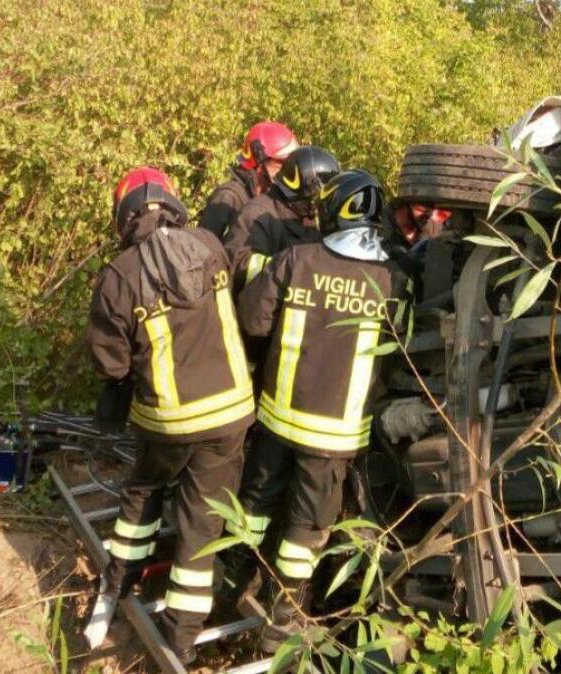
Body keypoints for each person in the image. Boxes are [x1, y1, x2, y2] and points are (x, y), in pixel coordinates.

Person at [84, 167, 254, 664]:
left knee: (142, 496)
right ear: (172, 203)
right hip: (231, 414)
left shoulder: (120, 277)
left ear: (125, 216)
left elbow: (109, 362)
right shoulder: (209, 245)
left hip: (169, 423)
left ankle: (118, 582)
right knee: (202, 524)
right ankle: (182, 639)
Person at [234, 170, 408, 651]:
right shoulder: (391, 278)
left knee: (253, 509)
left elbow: (252, 319)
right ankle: (283, 620)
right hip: (336, 438)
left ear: (334, 211)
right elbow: (403, 350)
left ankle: (231, 582)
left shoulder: (296, 259)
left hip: (274, 421)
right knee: (306, 531)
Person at [237, 146, 341, 287]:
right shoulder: (257, 214)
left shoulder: (303, 216)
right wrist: (292, 266)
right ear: (304, 192)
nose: (319, 206)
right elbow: (240, 265)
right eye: (317, 199)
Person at [197, 121, 300, 239]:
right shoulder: (228, 198)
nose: (288, 170)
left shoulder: (267, 195)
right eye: (282, 163)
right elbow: (201, 249)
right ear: (260, 163)